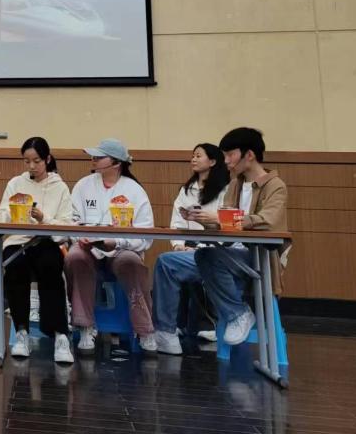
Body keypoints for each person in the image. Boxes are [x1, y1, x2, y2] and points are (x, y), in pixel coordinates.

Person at [193, 127, 289, 345]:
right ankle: (235, 313)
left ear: (250, 155)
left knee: (210, 258)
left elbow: (268, 221)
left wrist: (221, 219)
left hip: (260, 257)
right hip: (232, 253)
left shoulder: (275, 186)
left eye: (230, 154)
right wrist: (205, 221)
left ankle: (237, 314)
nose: (226, 161)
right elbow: (226, 226)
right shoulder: (235, 184)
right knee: (201, 256)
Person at [65, 138, 157, 354]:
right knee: (74, 257)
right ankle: (85, 325)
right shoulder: (83, 185)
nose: (93, 159)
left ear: (116, 163)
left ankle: (144, 329)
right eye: (93, 156)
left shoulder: (134, 191)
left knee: (131, 263)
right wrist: (80, 237)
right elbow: (71, 220)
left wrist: (117, 241)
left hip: (121, 248)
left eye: (99, 157)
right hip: (88, 248)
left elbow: (145, 235)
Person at [0, 136, 74, 363]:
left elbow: (65, 227)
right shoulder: (15, 183)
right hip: (18, 241)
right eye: (27, 161)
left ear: (47, 159)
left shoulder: (60, 187)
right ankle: (21, 331)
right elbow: (1, 216)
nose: (31, 166)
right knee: (15, 266)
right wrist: (13, 212)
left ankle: (59, 334)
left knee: (50, 266)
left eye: (37, 161)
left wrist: (43, 218)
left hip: (47, 241)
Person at [151, 143, 230, 355]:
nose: (193, 159)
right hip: (186, 246)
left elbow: (225, 226)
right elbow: (176, 221)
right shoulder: (186, 189)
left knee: (188, 264)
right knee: (170, 260)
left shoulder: (226, 190)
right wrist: (179, 245)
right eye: (192, 156)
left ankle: (205, 322)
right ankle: (172, 326)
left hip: (213, 247)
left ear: (212, 161)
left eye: (198, 156)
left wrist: (201, 247)